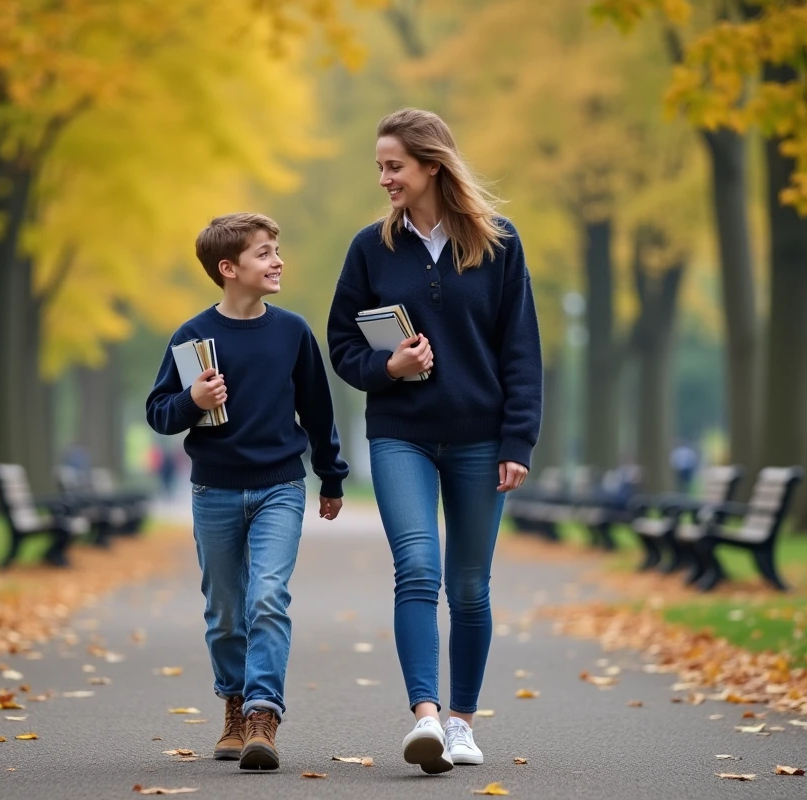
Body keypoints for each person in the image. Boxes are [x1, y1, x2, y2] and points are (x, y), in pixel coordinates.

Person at [327, 108, 543, 774]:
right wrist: (385, 370)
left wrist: (518, 441)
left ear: (431, 165)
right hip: (402, 435)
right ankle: (424, 717)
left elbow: (521, 353)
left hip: (481, 438)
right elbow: (340, 343)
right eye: (380, 167)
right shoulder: (370, 248)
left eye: (394, 166)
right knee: (417, 568)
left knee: (470, 586)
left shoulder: (500, 243)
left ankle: (462, 723)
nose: (385, 178)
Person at [146, 213, 349, 771]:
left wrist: (331, 477)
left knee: (267, 596)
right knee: (226, 611)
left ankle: (263, 714)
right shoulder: (192, 337)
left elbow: (318, 410)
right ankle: (233, 707)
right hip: (213, 490)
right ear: (228, 269)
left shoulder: (292, 332)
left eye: (276, 249)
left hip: (280, 486)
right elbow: (159, 413)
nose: (277, 260)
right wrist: (194, 400)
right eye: (264, 253)